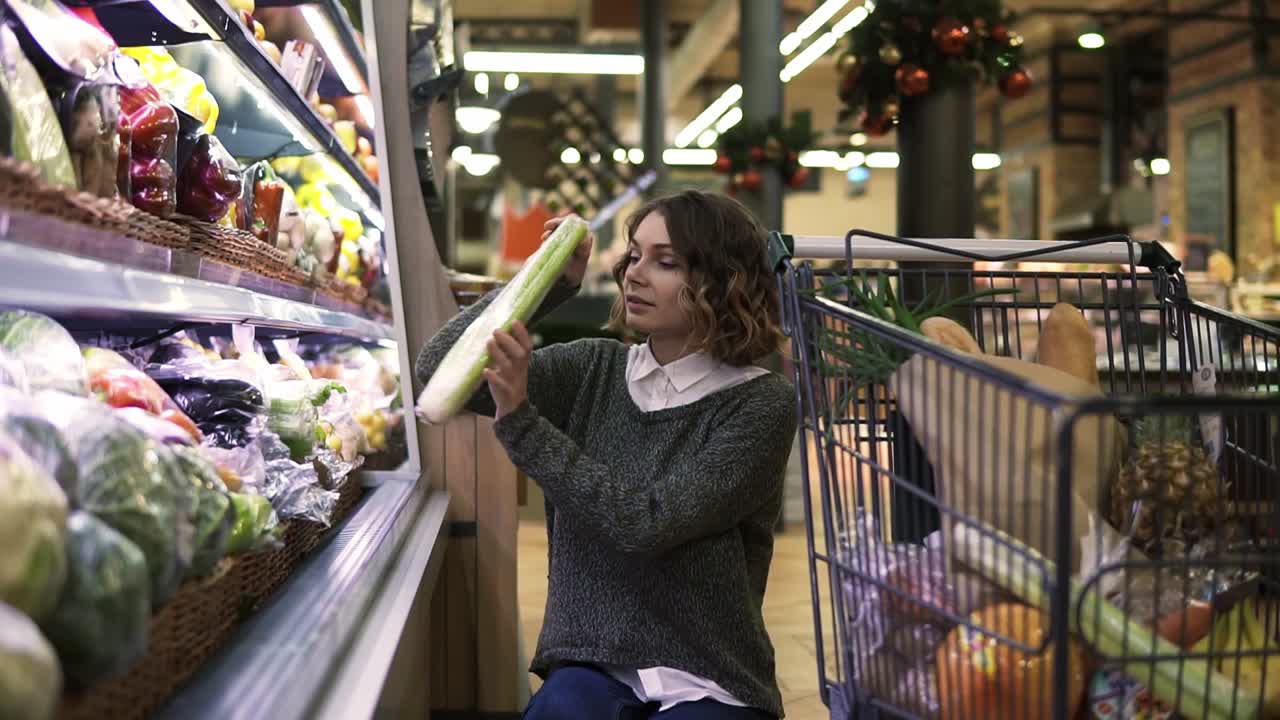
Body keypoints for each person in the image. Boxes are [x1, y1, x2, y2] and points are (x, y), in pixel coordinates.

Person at [416, 190, 798, 720]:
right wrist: (543, 280)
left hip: (710, 674)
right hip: (590, 664)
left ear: (722, 281)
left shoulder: (761, 402)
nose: (635, 274)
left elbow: (645, 524)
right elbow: (437, 370)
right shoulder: (592, 369)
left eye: (665, 262)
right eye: (634, 255)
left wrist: (523, 424)